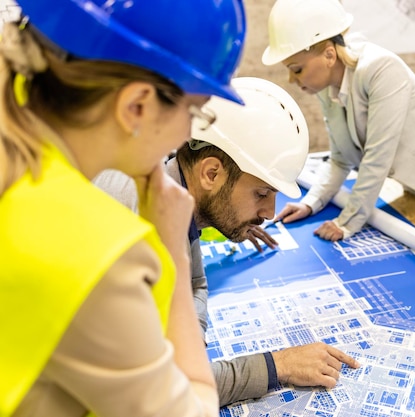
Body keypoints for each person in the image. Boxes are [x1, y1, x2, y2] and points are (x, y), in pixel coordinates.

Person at [0, 0, 247, 416]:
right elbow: (193, 408)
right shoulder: (92, 254)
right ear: (136, 106)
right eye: (193, 111)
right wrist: (171, 245)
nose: (188, 131)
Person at [94, 77, 360, 406]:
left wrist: (191, 339)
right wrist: (279, 365)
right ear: (211, 173)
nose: (269, 212)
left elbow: (196, 282)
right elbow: (166, 392)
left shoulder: (172, 187)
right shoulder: (141, 227)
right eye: (261, 193)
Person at [261, 0, 415, 241]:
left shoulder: (382, 69)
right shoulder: (327, 88)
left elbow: (378, 156)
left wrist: (346, 223)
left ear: (329, 55)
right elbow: (340, 159)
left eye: (296, 69)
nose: (291, 79)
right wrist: (310, 203)